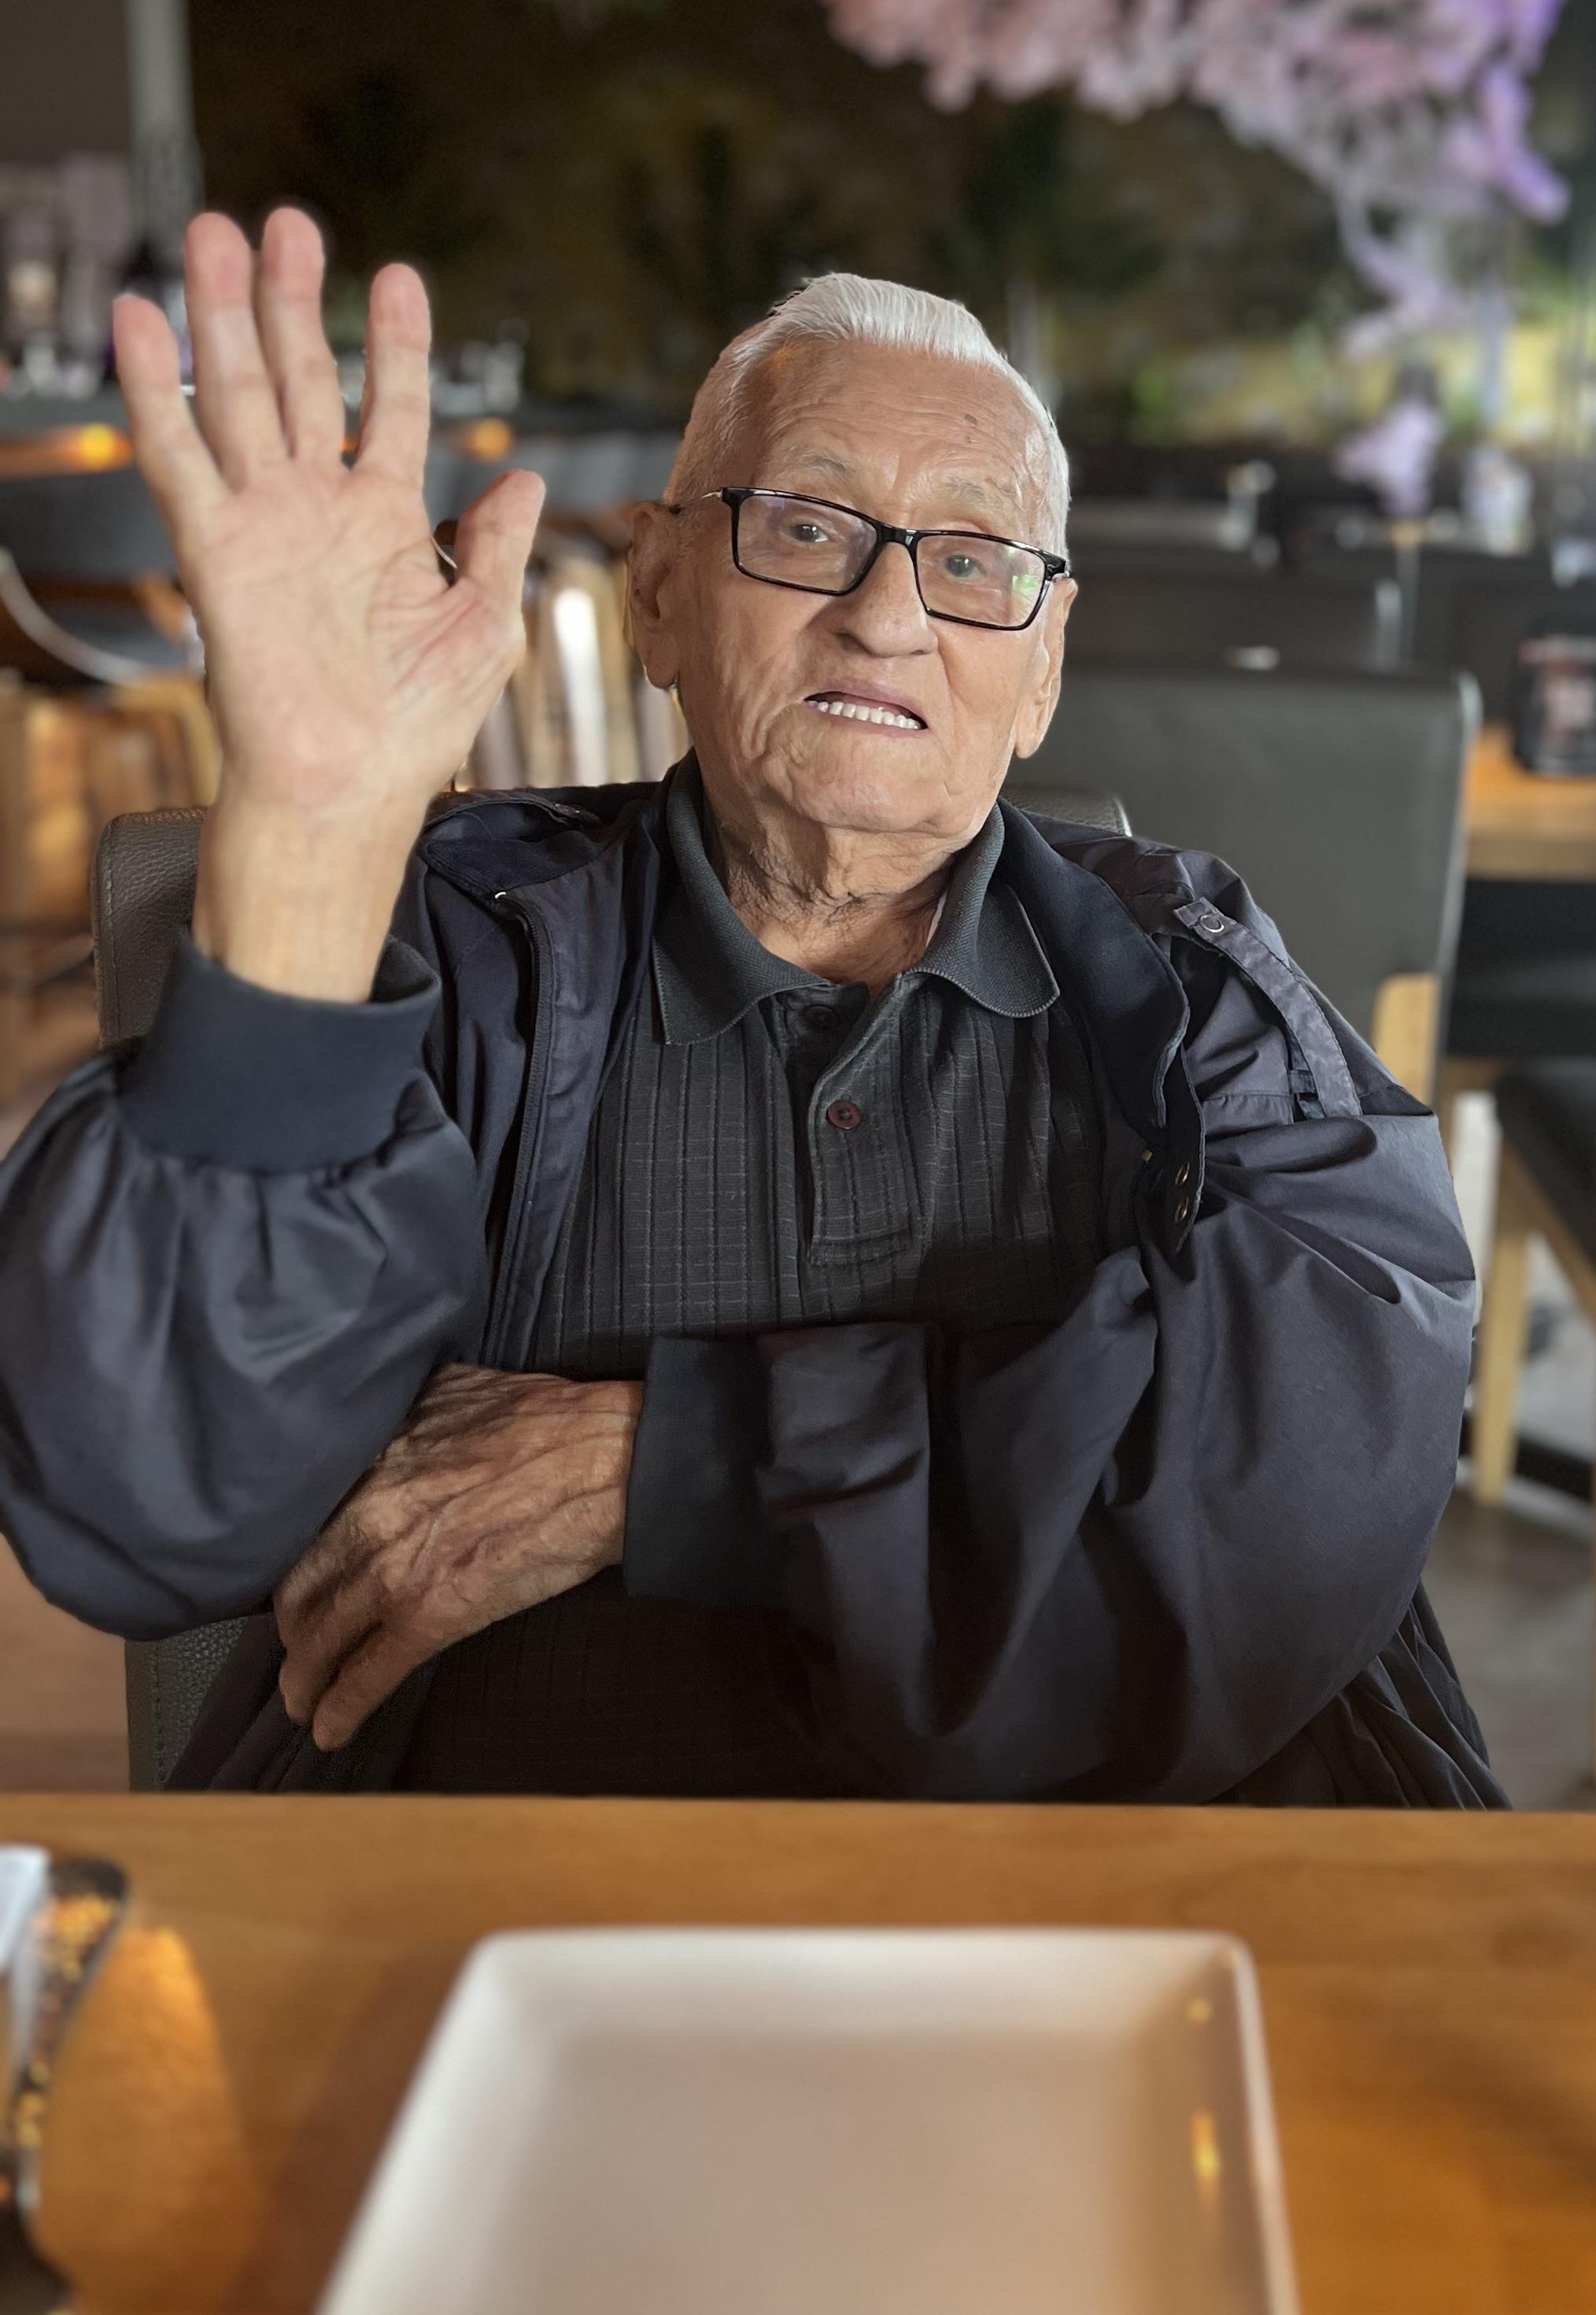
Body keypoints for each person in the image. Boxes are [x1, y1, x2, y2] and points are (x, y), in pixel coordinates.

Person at [0, 211, 1501, 1803]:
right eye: (803, 524)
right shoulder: (454, 952)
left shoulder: (1191, 985)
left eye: (973, 558)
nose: (888, 611)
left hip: (1105, 1941)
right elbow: (146, 1493)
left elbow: (1288, 1507)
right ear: (654, 593)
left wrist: (677, 1460)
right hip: (517, 1933)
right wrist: (311, 833)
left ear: (1043, 668)